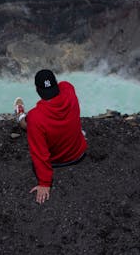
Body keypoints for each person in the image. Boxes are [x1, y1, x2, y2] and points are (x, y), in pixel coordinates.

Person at [14, 69, 88, 204]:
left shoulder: (36, 116)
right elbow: (64, 85)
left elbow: (39, 153)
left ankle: (20, 115)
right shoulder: (69, 91)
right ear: (56, 84)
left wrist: (44, 183)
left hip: (58, 160)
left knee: (28, 124)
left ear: (37, 90)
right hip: (79, 153)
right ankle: (21, 116)